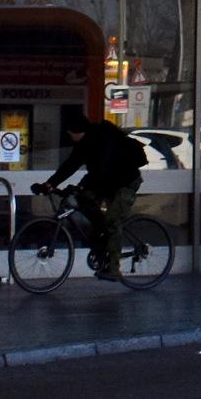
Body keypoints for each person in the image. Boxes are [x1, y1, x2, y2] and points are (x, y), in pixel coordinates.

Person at [40, 114, 148, 279]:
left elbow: (101, 169)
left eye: (69, 133)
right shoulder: (83, 144)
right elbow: (70, 165)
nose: (69, 136)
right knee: (85, 200)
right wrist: (49, 184)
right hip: (107, 182)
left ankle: (114, 269)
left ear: (75, 131)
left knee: (112, 221)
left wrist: (82, 185)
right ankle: (102, 237)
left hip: (125, 181)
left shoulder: (102, 138)